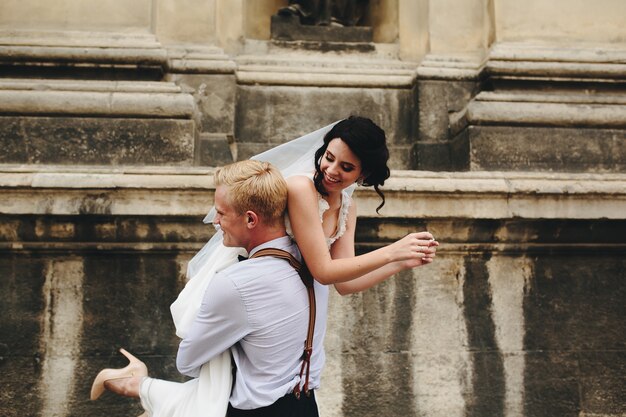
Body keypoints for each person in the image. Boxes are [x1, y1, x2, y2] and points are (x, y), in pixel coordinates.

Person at [91, 116, 438, 417]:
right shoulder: (301, 188)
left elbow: (345, 281)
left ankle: (135, 382)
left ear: (365, 174)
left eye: (346, 167)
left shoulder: (347, 204)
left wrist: (402, 262)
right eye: (329, 158)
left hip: (298, 340)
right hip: (264, 287)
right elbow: (322, 269)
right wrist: (392, 251)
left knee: (222, 391)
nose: (331, 171)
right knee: (218, 387)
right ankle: (135, 383)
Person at [91, 160, 320, 416]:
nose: (215, 221)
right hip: (306, 406)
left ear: (251, 219)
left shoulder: (235, 283)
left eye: (221, 213)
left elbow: (187, 362)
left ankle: (138, 384)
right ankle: (137, 384)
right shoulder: (315, 261)